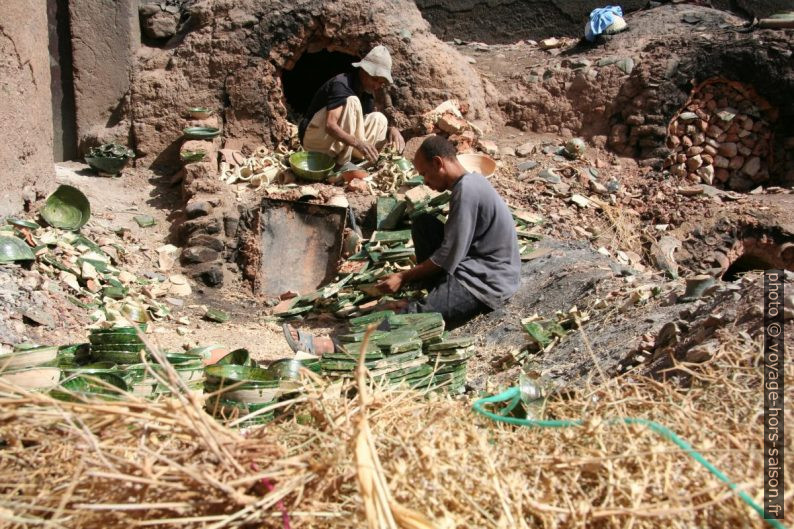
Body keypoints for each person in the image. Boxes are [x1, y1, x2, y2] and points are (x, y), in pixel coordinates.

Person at [376, 135, 521, 329]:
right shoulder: (469, 182)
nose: (426, 182)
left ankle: (335, 344)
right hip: (473, 264)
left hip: (487, 282)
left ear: (438, 163)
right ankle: (435, 289)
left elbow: (447, 255)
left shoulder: (467, 191)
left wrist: (404, 277)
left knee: (411, 319)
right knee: (423, 222)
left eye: (425, 173)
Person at [299, 45, 405, 166]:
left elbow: (359, 127)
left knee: (379, 118)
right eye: (374, 79)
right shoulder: (342, 84)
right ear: (364, 71)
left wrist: (392, 130)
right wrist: (358, 143)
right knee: (352, 101)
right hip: (315, 142)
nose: (376, 86)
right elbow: (330, 125)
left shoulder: (367, 94)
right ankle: (342, 164)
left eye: (381, 83)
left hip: (339, 145)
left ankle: (365, 159)